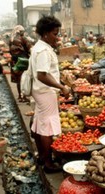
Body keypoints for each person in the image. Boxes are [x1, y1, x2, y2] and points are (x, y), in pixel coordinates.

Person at [30, 16, 70, 173]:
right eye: (55, 33)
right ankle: (48, 162)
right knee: (47, 128)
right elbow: (42, 75)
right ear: (46, 33)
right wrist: (62, 87)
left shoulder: (39, 47)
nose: (57, 36)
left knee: (40, 124)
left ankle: (41, 156)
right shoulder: (43, 51)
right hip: (45, 92)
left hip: (40, 91)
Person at [9, 25, 32, 102]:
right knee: (24, 78)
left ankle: (19, 96)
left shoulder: (11, 39)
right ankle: (24, 96)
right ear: (21, 32)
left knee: (18, 79)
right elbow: (30, 48)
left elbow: (10, 51)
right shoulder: (23, 38)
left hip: (14, 61)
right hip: (22, 61)